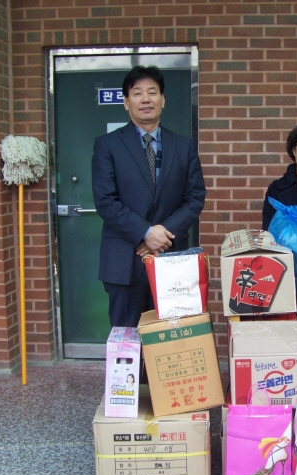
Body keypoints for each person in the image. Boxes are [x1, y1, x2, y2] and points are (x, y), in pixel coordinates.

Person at [92, 65, 206, 327]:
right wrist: (145, 233)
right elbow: (105, 201)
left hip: (172, 260)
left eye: (152, 92)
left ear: (163, 100)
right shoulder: (107, 145)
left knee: (170, 340)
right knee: (127, 343)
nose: (146, 99)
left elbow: (194, 197)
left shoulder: (184, 146)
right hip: (124, 261)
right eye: (137, 93)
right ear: (126, 102)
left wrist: (160, 235)